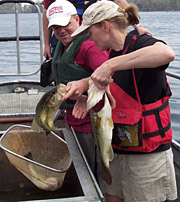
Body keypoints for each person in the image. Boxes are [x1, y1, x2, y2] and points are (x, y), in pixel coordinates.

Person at [66, 1, 177, 202]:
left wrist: (109, 65)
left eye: (90, 33)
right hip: (116, 151)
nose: (88, 39)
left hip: (146, 157)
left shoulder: (141, 43)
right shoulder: (111, 51)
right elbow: (115, 87)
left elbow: (166, 53)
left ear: (105, 26)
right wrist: (83, 88)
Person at [46, 0, 109, 175]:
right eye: (56, 27)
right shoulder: (63, 45)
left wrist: (86, 98)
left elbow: (112, 80)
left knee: (93, 170)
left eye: (66, 24)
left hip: (91, 125)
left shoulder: (89, 46)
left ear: (77, 19)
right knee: (83, 167)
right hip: (73, 121)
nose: (61, 31)